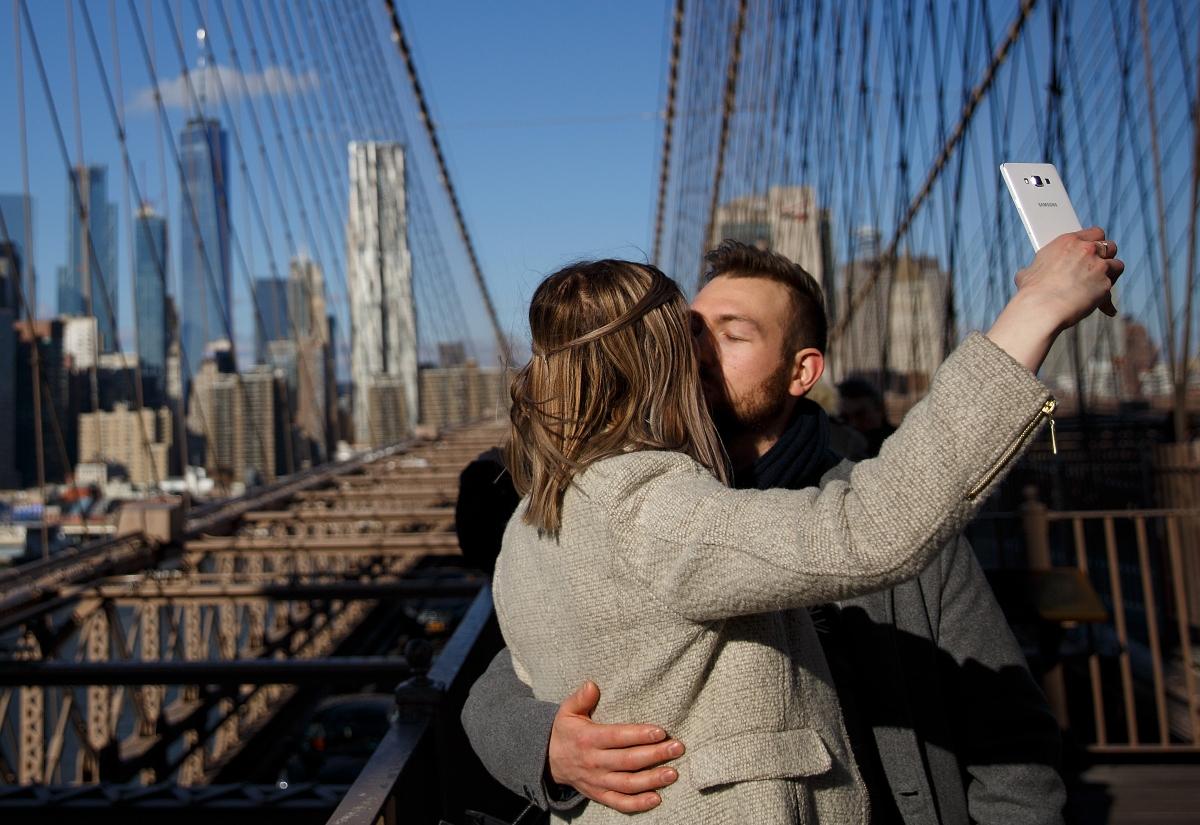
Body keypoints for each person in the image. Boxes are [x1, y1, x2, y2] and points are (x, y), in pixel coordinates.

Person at [486, 230, 1121, 822]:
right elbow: (510, 677)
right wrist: (550, 746)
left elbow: (1010, 731)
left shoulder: (549, 511)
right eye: (688, 337)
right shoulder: (645, 502)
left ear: (802, 372)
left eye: (729, 335)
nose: (700, 357)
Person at [836, 377, 896, 458]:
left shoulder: (899, 444)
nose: (853, 424)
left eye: (860, 415)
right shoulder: (838, 450)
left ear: (880, 410)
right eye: (844, 418)